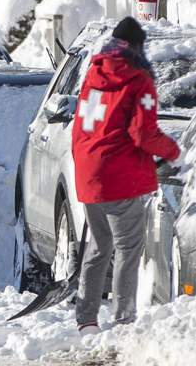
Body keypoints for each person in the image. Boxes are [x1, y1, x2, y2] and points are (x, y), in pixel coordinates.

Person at [71, 17, 181, 335]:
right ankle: (123, 319)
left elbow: (82, 127)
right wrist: (175, 153)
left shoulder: (93, 74)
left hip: (89, 172)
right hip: (119, 175)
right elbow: (143, 133)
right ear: (137, 46)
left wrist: (86, 167)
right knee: (128, 247)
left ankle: (87, 319)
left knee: (99, 244)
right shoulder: (138, 80)